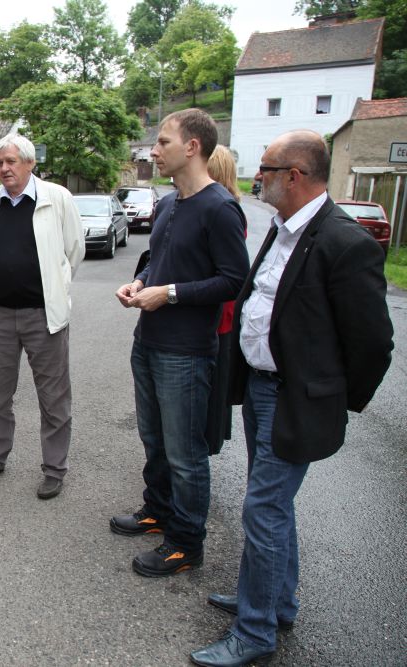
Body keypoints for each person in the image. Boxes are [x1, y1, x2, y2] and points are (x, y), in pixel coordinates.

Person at [190, 131, 394, 667]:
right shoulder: (283, 229)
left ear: (294, 176)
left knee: (263, 509)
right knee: (273, 507)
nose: (258, 177)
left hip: (295, 399)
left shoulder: (344, 243)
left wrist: (334, 398)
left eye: (267, 169)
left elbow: (373, 342)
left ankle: (254, 631)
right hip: (262, 389)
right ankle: (275, 601)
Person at [112, 109, 249, 577]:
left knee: (185, 454)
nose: (154, 151)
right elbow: (159, 260)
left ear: (192, 147)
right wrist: (140, 282)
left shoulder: (220, 208)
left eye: (163, 142)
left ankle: (186, 543)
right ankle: (158, 510)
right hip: (148, 341)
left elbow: (233, 280)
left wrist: (168, 294)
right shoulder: (169, 203)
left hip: (186, 353)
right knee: (153, 439)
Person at [0, 133, 85, 500]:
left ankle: (54, 469)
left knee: (53, 398)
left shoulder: (57, 198)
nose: (4, 168)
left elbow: (74, 251)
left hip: (43, 317)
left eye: (11, 161)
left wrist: (56, 289)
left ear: (31, 163)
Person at [205, 145, 243, 455]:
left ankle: (205, 445)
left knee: (211, 391)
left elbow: (230, 275)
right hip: (219, 317)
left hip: (218, 319)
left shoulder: (223, 210)